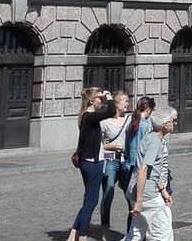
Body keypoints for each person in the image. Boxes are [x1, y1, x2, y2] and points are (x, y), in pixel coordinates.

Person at [67, 87, 117, 241]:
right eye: (99, 98)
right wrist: (109, 98)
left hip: (87, 161)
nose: (101, 101)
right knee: (92, 201)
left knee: (89, 199)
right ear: (91, 100)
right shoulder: (90, 116)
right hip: (92, 162)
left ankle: (73, 235)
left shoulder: (86, 116)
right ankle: (82, 236)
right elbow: (110, 112)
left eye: (102, 99)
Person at [129, 105, 177, 241]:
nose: (175, 123)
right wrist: (139, 201)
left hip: (146, 192)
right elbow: (143, 169)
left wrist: (163, 190)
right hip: (148, 195)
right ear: (165, 124)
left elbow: (153, 171)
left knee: (135, 235)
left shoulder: (153, 138)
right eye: (173, 120)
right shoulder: (155, 142)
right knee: (163, 234)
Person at [121, 97, 156, 241]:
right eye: (151, 111)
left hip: (127, 166)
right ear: (148, 110)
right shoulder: (145, 125)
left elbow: (127, 147)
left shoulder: (132, 121)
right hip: (138, 168)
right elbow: (144, 148)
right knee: (141, 205)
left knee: (132, 205)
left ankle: (133, 234)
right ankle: (135, 236)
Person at [100, 90, 131, 233]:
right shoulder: (105, 122)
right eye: (125, 100)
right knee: (108, 192)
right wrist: (111, 146)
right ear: (116, 103)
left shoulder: (130, 120)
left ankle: (132, 229)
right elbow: (99, 146)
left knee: (130, 194)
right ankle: (105, 225)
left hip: (126, 161)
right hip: (110, 161)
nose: (127, 103)